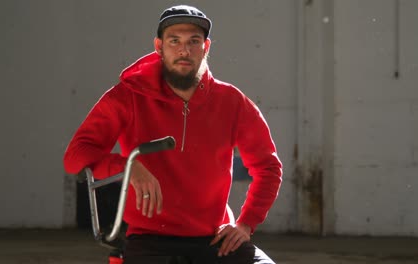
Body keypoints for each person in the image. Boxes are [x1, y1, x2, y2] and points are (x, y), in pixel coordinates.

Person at [64, 5, 282, 264]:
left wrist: (246, 224)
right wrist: (129, 167)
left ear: (206, 47)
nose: (184, 50)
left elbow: (268, 167)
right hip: (150, 240)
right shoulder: (128, 97)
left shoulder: (232, 101)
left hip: (214, 238)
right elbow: (75, 156)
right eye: (174, 41)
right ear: (159, 46)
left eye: (193, 41)